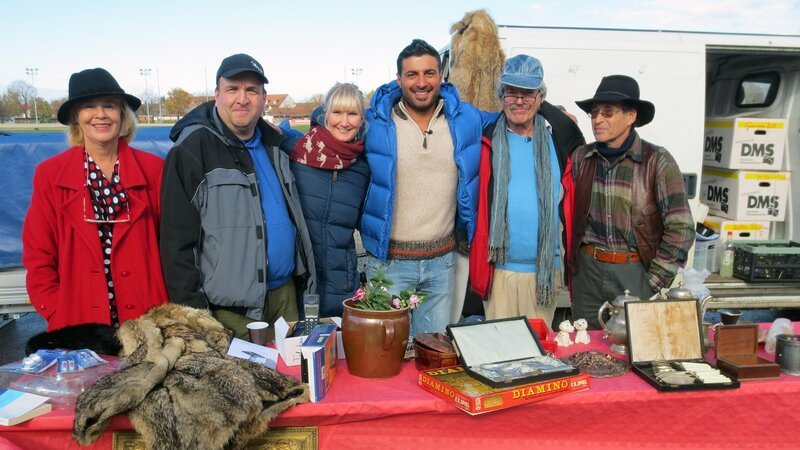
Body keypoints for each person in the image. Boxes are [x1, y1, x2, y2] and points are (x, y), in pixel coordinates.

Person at [160, 53, 315, 341]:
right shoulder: (192, 149)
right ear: (217, 95)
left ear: (264, 98)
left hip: (285, 297)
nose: (242, 99)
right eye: (232, 89)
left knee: (292, 370)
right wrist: (196, 317)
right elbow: (176, 244)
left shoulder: (276, 144)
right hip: (231, 312)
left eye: (251, 90)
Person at [360, 39, 491, 336]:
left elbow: (511, 115)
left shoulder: (466, 118)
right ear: (399, 79)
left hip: (441, 264)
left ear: (441, 76)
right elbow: (330, 122)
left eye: (429, 73)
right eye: (412, 74)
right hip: (388, 264)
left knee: (433, 350)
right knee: (385, 353)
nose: (421, 82)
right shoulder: (375, 122)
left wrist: (555, 115)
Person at [22, 68, 168, 331]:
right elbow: (38, 253)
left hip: (148, 318)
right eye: (89, 106)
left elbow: (173, 246)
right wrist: (56, 311)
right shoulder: (50, 175)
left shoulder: (155, 170)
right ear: (76, 117)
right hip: (78, 321)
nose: (100, 114)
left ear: (122, 114)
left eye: (109, 105)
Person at [466, 55, 585, 328]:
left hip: (544, 273)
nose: (519, 101)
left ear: (541, 98)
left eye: (528, 93)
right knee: (499, 349)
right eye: (512, 92)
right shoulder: (485, 140)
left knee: (538, 351)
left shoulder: (561, 139)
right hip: (498, 271)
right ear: (501, 96)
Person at [569, 75, 694, 329]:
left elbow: (681, 228)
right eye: (594, 113)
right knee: (584, 346)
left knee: (635, 346)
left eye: (608, 112)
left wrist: (652, 282)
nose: (597, 119)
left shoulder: (657, 160)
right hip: (587, 274)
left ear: (631, 116)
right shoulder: (582, 157)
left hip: (633, 273)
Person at [283, 83, 370, 318]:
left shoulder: (362, 168)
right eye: (337, 112)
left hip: (342, 284)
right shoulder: (294, 154)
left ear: (362, 119)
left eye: (352, 114)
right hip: (299, 283)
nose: (344, 122)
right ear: (325, 115)